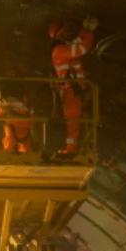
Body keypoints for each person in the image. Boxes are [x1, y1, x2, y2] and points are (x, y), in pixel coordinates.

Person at [48, 16, 99, 157]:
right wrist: (88, 31)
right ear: (59, 33)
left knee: (75, 120)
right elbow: (81, 48)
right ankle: (70, 149)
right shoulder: (59, 50)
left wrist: (83, 30)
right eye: (65, 30)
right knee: (73, 120)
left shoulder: (65, 47)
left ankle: (73, 148)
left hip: (77, 91)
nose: (69, 31)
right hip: (71, 91)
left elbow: (77, 44)